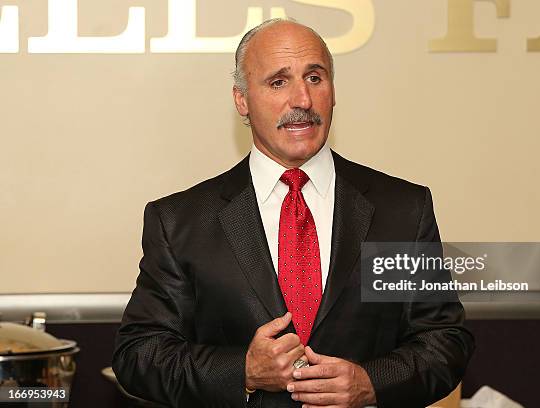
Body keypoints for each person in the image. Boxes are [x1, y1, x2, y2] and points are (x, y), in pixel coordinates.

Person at [113, 18, 474, 408]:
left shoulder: (401, 210)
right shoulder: (180, 222)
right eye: (278, 82)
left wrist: (372, 383)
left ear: (333, 92)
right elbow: (140, 355)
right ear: (242, 100)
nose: (302, 100)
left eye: (315, 78)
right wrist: (243, 371)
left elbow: (443, 341)